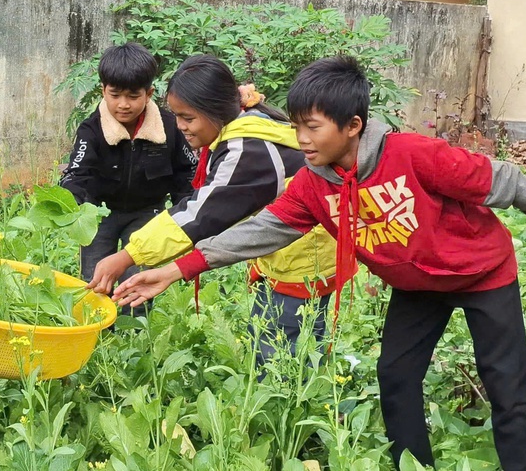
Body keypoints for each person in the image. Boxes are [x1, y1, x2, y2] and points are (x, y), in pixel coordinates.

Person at [113, 56, 526, 470]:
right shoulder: (313, 184)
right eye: (297, 125)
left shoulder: (413, 155)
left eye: (313, 127)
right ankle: (414, 466)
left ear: (353, 125)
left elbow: (503, 179)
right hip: (418, 288)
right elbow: (258, 232)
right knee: (397, 377)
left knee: (506, 387)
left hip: (483, 274)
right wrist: (176, 269)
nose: (300, 139)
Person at [88, 55, 340, 366]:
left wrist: (127, 255)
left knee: (278, 355)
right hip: (297, 250)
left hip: (300, 259)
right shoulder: (250, 118)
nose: (180, 127)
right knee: (291, 341)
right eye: (177, 116)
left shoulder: (246, 151)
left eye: (188, 118)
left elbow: (198, 214)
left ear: (215, 110)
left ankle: (286, 407)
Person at [59, 42, 195, 312]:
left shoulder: (169, 127)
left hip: (147, 214)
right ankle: (98, 330)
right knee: (95, 278)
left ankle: (133, 333)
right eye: (115, 94)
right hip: (99, 213)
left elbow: (186, 173)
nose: (123, 105)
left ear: (149, 94)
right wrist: (68, 203)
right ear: (103, 91)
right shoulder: (91, 129)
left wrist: (188, 213)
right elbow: (77, 172)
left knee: (137, 279)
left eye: (133, 96)